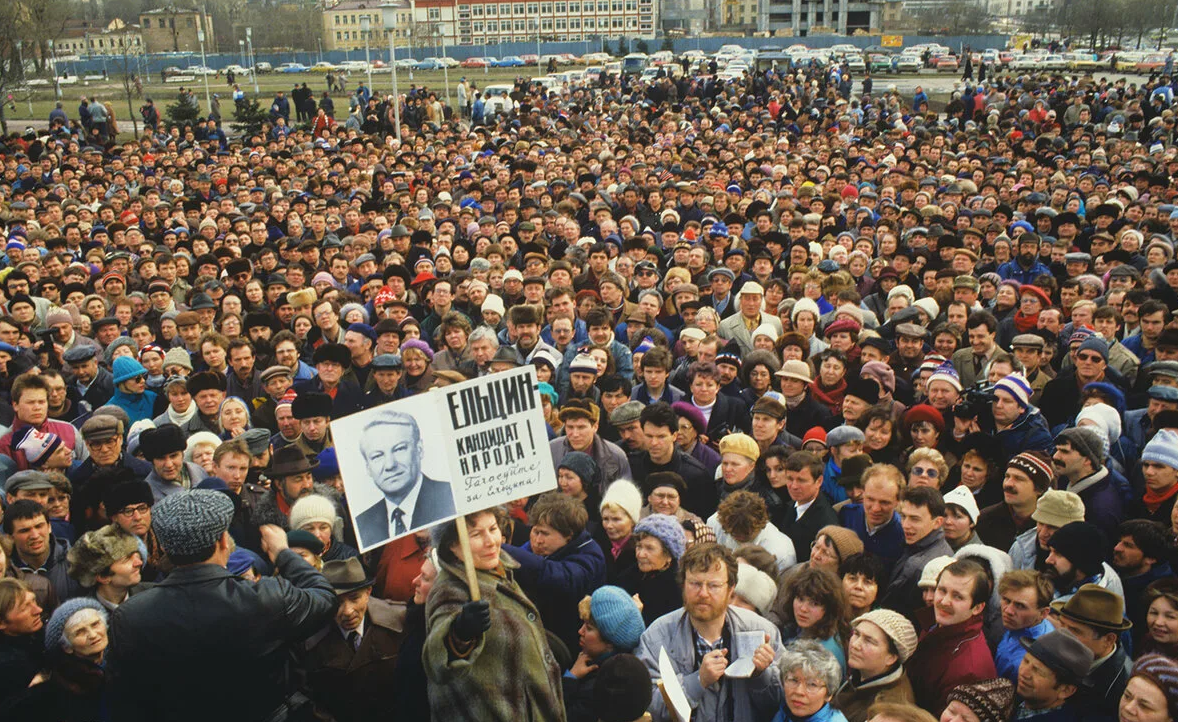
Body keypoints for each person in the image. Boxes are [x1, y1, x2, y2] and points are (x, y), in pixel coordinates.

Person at [106, 490, 337, 722]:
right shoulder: (266, 597)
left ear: (165, 547)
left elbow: (126, 698)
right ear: (224, 542)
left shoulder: (130, 617)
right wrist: (283, 553)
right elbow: (325, 597)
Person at [423, 508, 566, 722]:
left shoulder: (499, 571)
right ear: (452, 546)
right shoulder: (450, 590)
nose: (490, 541)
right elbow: (436, 662)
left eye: (493, 528)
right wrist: (459, 633)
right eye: (476, 534)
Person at [637, 542, 785, 722]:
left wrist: (761, 676)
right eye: (695, 584)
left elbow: (781, 704)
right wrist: (697, 681)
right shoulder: (657, 637)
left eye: (713, 586)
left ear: (731, 589)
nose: (703, 593)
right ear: (683, 585)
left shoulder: (762, 631)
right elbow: (648, 707)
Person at [300, 557, 407, 722]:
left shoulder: (398, 621)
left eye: (354, 598)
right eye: (337, 603)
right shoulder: (310, 640)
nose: (348, 611)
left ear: (368, 592)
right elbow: (306, 696)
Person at [502, 491, 606, 654]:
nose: (537, 540)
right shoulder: (539, 547)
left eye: (545, 533)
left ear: (568, 536)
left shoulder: (590, 556)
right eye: (535, 531)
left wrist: (497, 548)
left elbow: (551, 576)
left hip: (569, 645)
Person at [353, 408, 456, 547]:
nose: (390, 465)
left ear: (419, 449)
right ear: (368, 467)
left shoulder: (451, 497)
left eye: (399, 449)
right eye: (377, 456)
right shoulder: (362, 524)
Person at [906, 559, 997, 713]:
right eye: (941, 590)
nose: (944, 601)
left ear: (977, 608)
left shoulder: (969, 670)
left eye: (958, 597)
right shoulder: (935, 622)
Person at [3, 597, 110, 720]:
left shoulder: (124, 659)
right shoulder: (62, 685)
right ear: (66, 647)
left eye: (95, 624)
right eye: (80, 632)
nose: (93, 635)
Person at [562, 585, 646, 722]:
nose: (580, 631)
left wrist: (570, 678)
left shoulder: (600, 686)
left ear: (610, 643)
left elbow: (558, 715)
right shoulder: (595, 658)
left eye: (588, 628)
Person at [1049, 584, 1133, 719]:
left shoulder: (1121, 688)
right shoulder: (1061, 650)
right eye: (1061, 624)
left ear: (1109, 640)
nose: (1062, 635)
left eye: (1074, 631)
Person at [834, 609, 919, 722]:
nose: (855, 644)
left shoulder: (887, 711)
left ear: (891, 658)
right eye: (856, 634)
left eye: (869, 641)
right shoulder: (864, 673)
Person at [881, 486, 953, 613]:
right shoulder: (917, 543)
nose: (905, 525)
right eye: (903, 516)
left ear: (937, 522)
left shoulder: (919, 567)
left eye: (915, 519)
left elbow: (890, 608)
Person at [1012, 630, 1093, 721]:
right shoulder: (1011, 696)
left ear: (1066, 690)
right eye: (1026, 661)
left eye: (1037, 670)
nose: (1024, 673)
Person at [993, 570, 1054, 684]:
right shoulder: (1020, 624)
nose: (1008, 610)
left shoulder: (1032, 661)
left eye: (1020, 606)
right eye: (1006, 600)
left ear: (1043, 613)